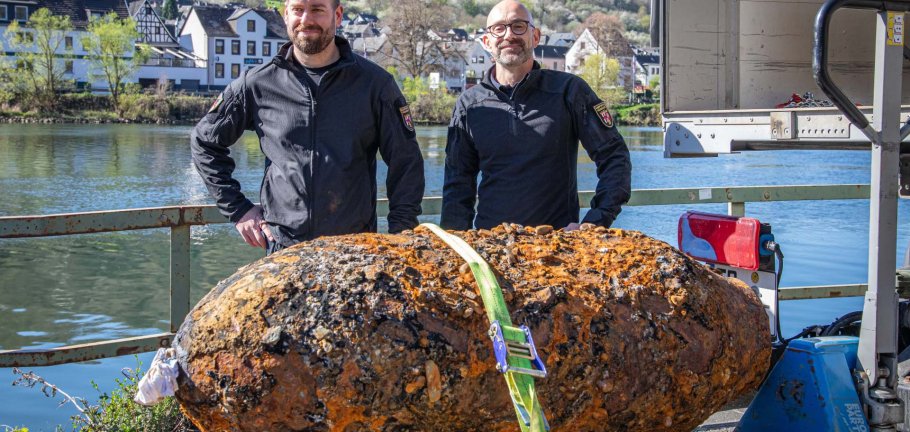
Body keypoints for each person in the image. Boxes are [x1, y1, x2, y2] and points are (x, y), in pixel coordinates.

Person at [191, 0, 424, 253]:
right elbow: (205, 142)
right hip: (283, 249)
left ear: (337, 15)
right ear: (285, 15)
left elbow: (406, 162)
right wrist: (238, 209)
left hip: (355, 250)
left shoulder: (376, 85)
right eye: (298, 10)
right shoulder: (257, 84)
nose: (306, 20)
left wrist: (401, 235)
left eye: (317, 9)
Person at [441, 0, 631, 231]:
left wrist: (595, 222)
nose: (509, 35)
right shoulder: (469, 104)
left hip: (558, 248)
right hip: (492, 247)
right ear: (486, 42)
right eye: (499, 28)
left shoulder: (569, 91)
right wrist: (456, 245)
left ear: (536, 36)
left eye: (518, 26)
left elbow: (615, 157)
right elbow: (457, 185)